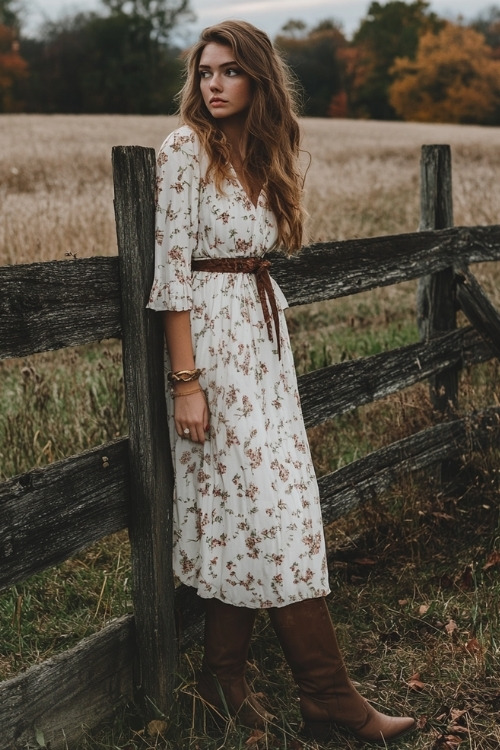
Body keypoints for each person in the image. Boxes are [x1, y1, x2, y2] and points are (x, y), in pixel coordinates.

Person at [147, 19, 415, 744]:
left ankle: (222, 682)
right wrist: (186, 383)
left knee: (274, 511)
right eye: (206, 72)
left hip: (263, 348)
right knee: (269, 513)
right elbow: (172, 277)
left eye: (230, 71)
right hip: (212, 350)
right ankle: (327, 697)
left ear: (258, 79)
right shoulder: (182, 151)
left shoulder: (260, 152)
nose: (214, 84)